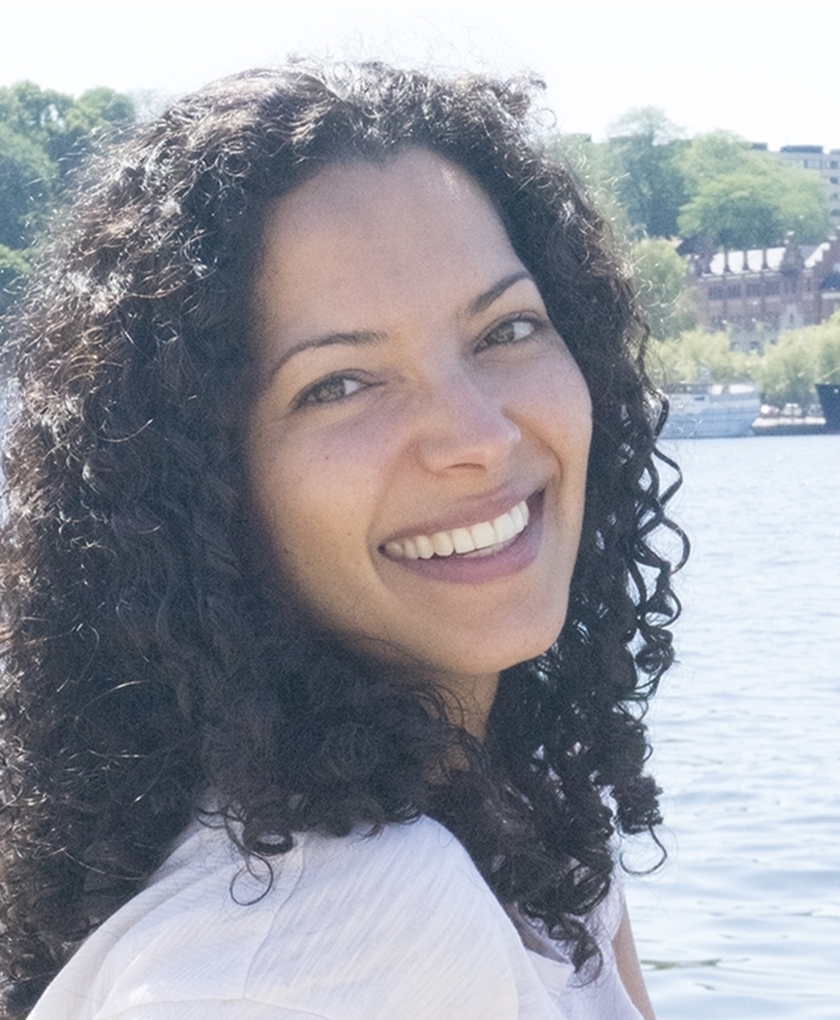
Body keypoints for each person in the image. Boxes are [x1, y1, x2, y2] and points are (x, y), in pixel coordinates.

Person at [0, 63, 685, 1020]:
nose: (481, 436)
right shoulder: (349, 926)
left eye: (507, 329)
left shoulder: (524, 808)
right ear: (196, 487)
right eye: (341, 384)